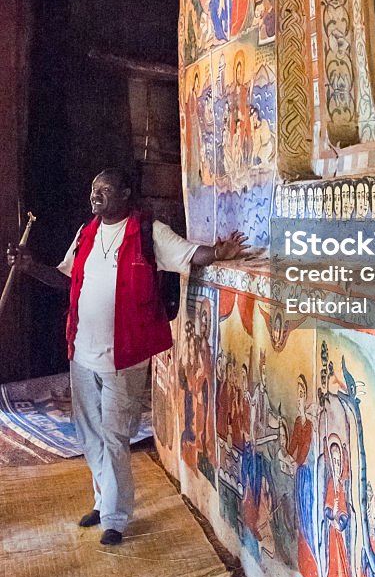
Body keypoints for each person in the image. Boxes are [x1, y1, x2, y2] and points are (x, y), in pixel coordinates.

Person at [9, 167, 250, 546]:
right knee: (90, 435)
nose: (95, 196)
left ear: (124, 193)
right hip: (82, 353)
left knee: (115, 436)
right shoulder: (85, 233)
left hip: (126, 357)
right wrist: (29, 268)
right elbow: (65, 278)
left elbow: (190, 254)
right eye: (93, 190)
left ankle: (116, 519)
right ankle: (104, 501)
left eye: (104, 190)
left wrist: (219, 252)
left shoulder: (148, 233)